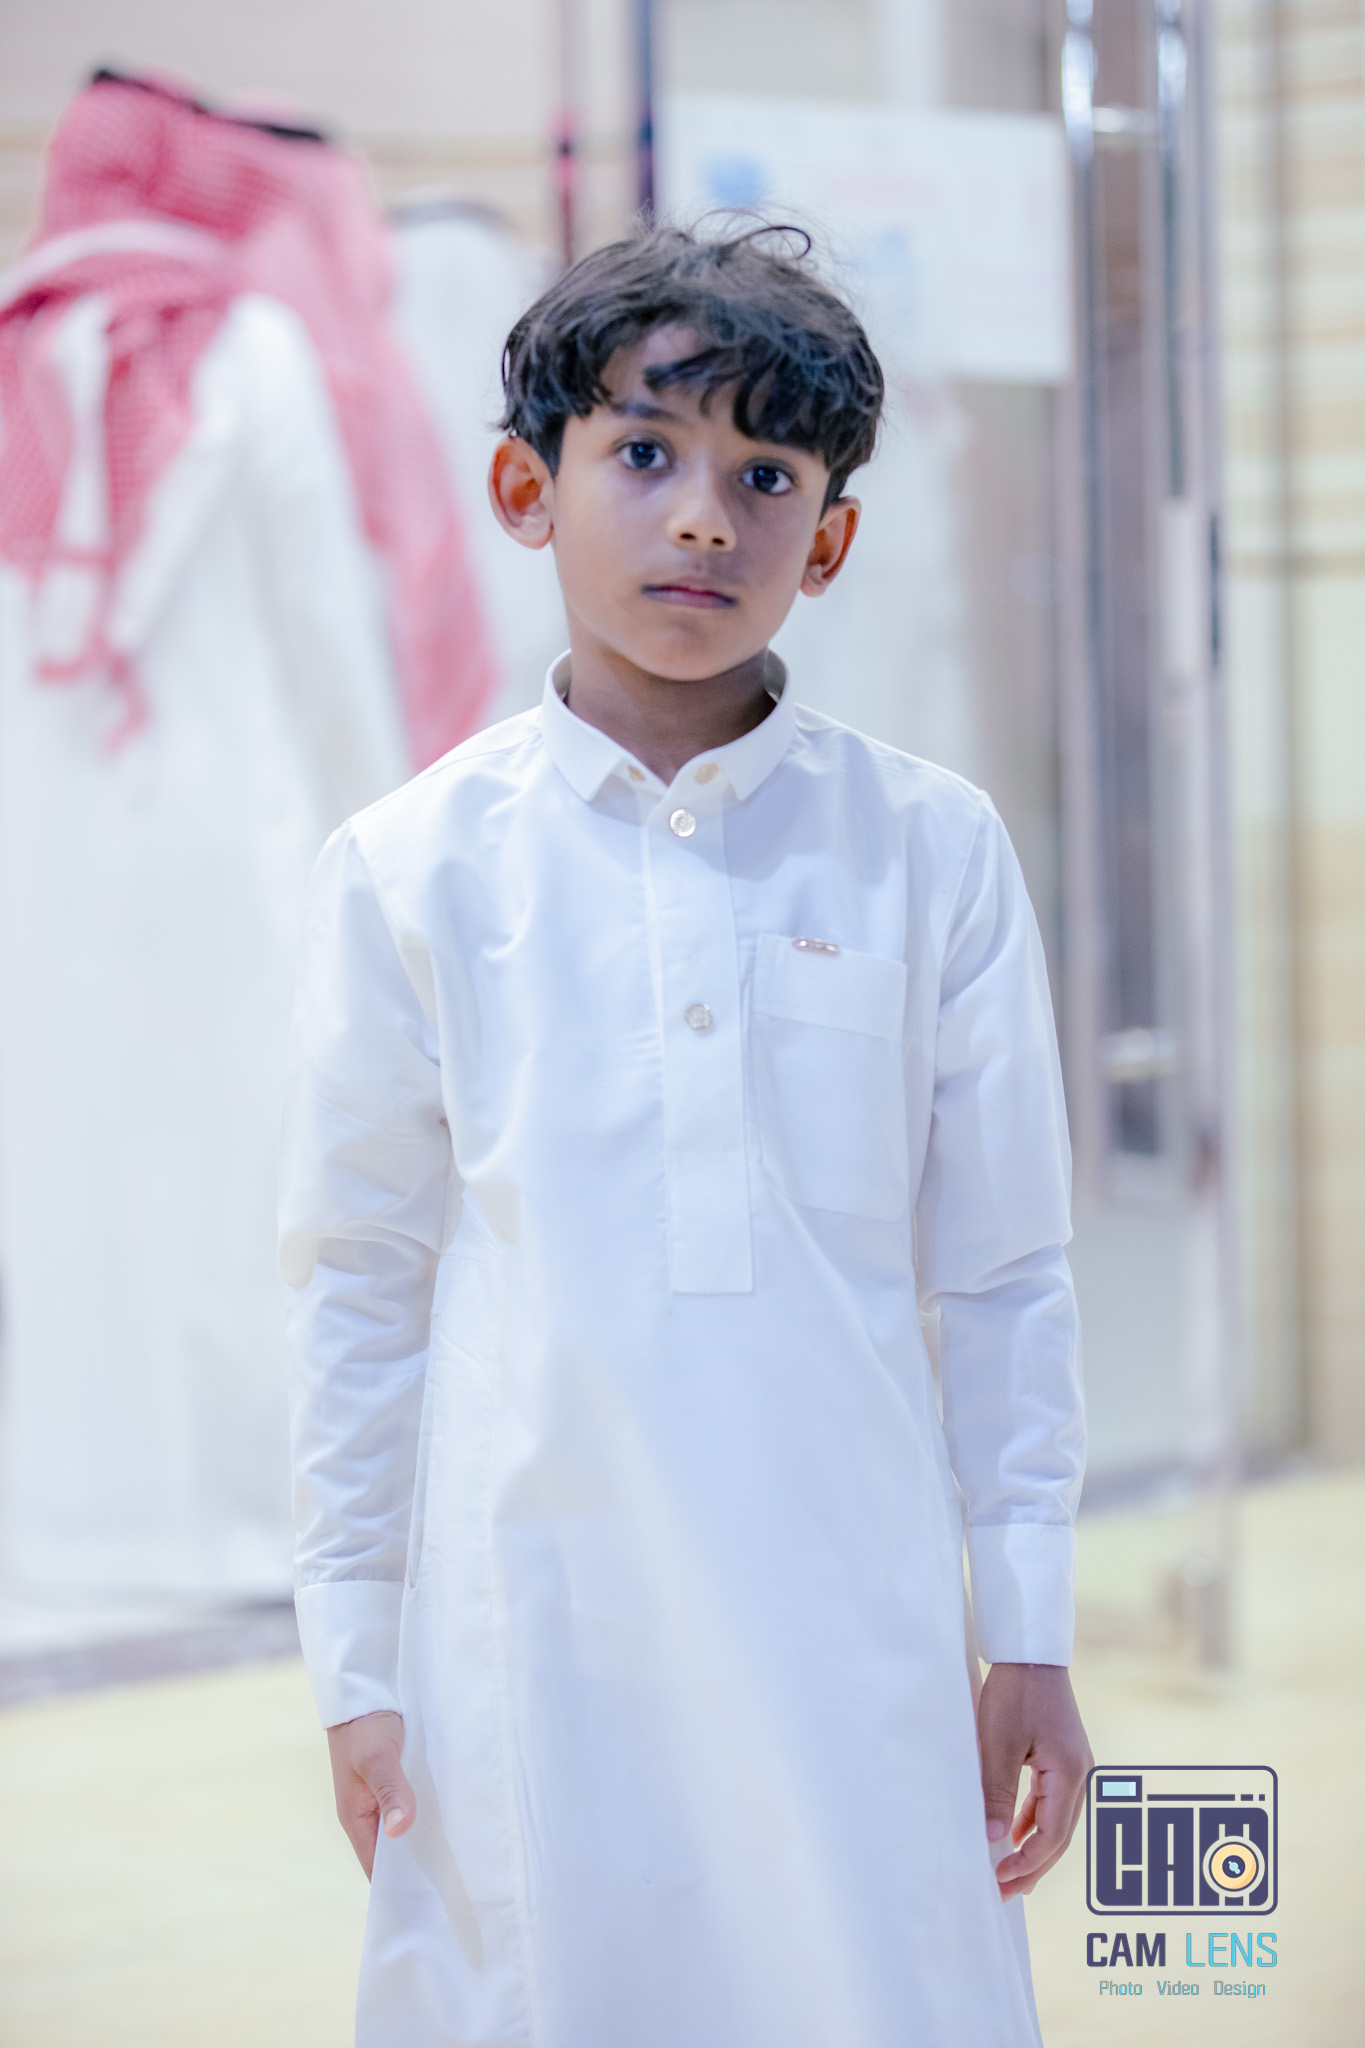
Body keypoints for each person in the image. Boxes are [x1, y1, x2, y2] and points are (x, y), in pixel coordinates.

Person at [280, 221, 1090, 2046]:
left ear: (834, 539)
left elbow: (1007, 1271)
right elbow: (358, 1284)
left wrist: (1027, 1629)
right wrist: (354, 1656)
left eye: (765, 477)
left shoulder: (929, 849)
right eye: (643, 453)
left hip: (853, 1616)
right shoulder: (411, 869)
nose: (705, 520)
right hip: (534, 1624)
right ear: (526, 488)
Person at [0, 71, 492, 1594]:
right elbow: (324, 625)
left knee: (70, 1166)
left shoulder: (16, 351)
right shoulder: (249, 346)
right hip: (230, 830)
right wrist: (387, 840)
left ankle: (78, 1519)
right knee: (244, 1166)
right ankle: (241, 1517)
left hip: (48, 857)